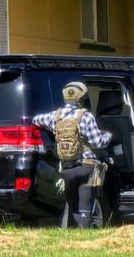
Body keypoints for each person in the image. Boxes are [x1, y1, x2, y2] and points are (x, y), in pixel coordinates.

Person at [33, 81, 112, 228]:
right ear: (81, 98)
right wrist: (108, 135)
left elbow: (35, 120)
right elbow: (97, 143)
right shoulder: (86, 117)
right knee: (84, 209)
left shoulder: (54, 117)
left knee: (73, 206)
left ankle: (73, 238)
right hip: (86, 167)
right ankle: (85, 239)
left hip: (67, 169)